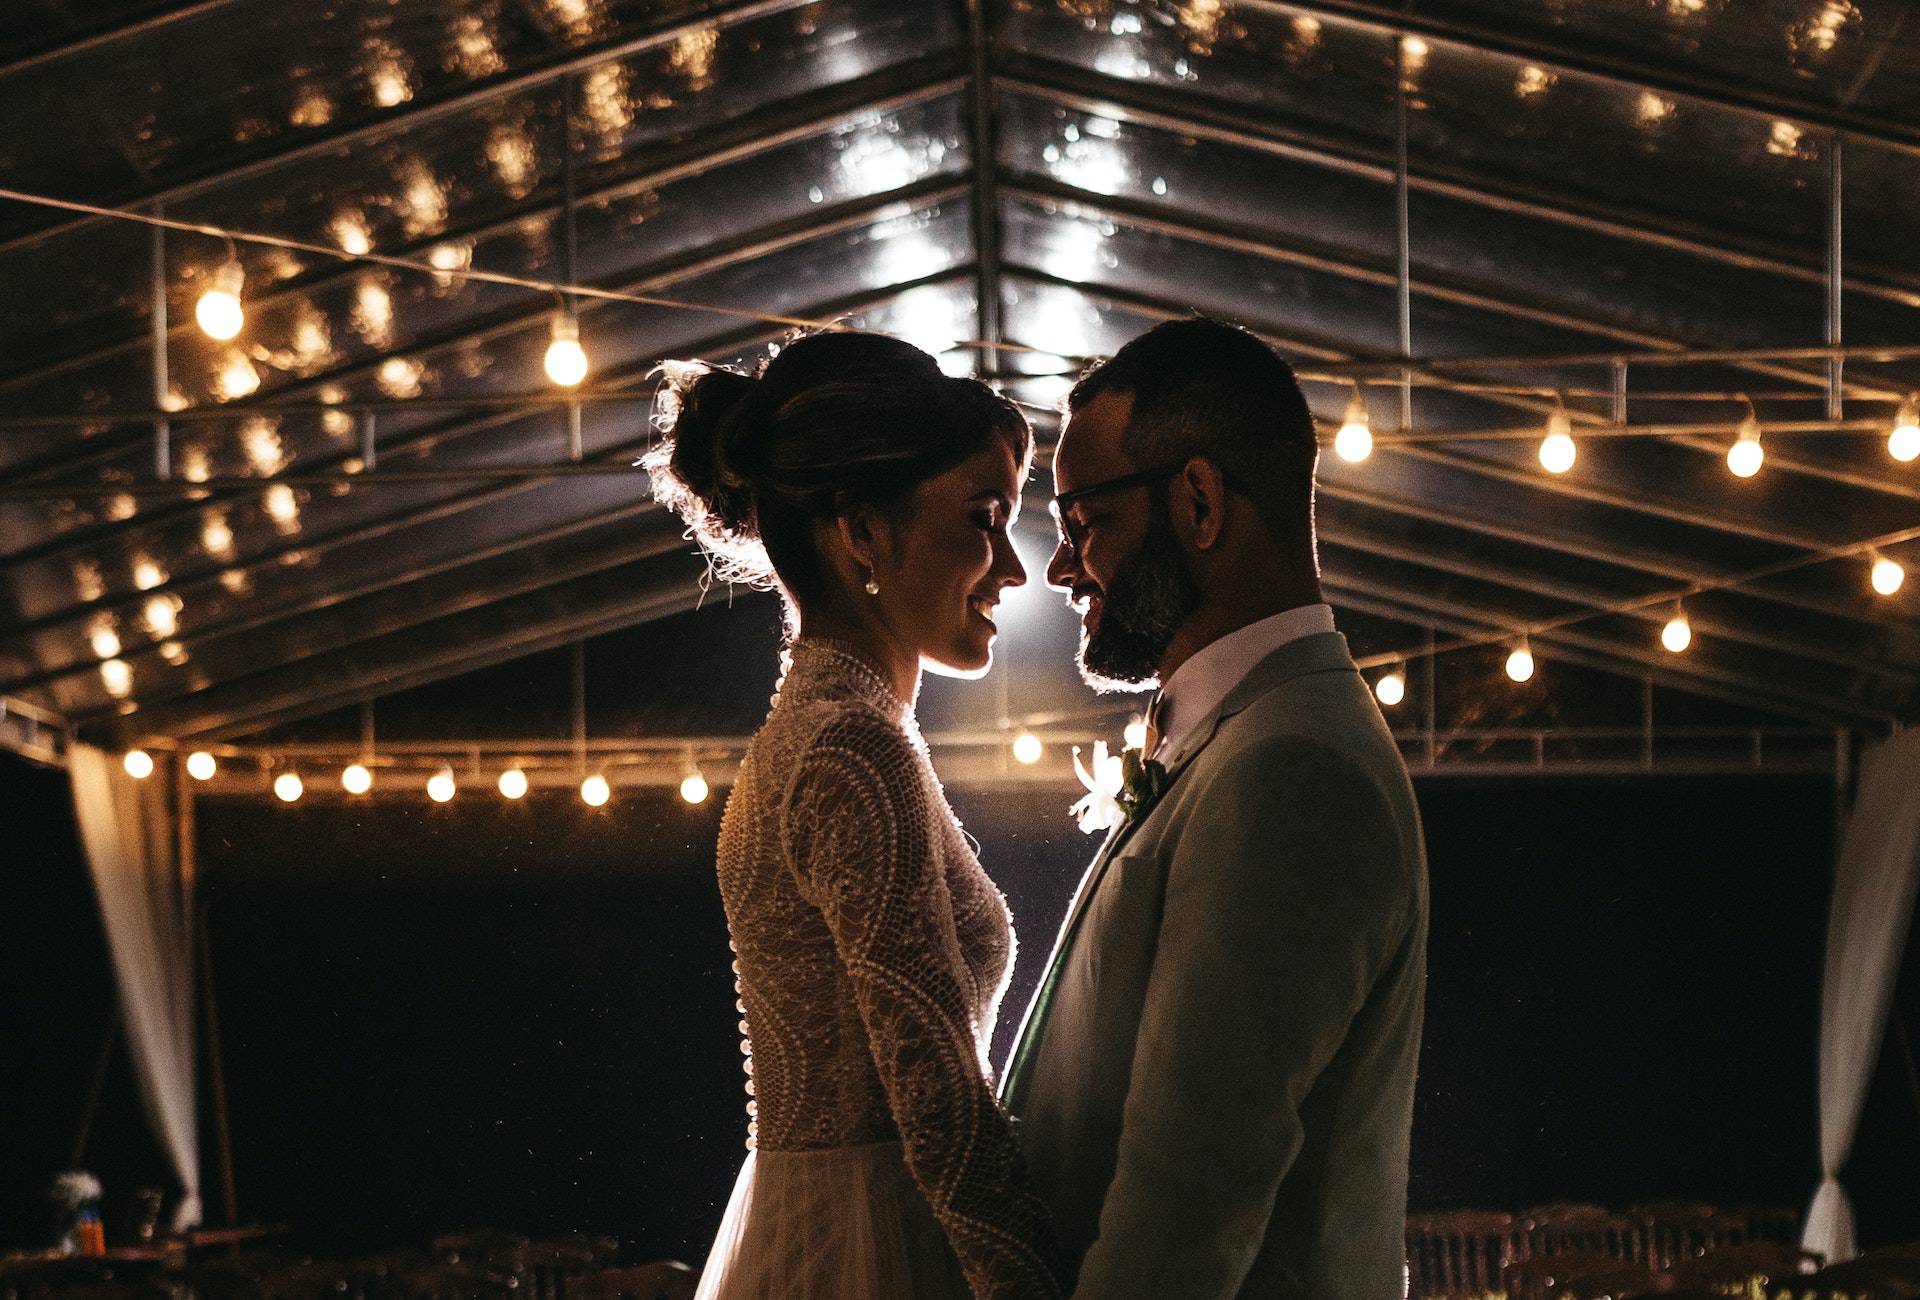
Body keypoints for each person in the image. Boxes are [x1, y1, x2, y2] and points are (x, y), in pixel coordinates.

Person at [1000, 318, 1429, 1299]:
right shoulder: (1246, 738)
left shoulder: (1293, 770)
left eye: (1084, 522)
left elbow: (1181, 1209)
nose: (1063, 569)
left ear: (1197, 500)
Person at [646, 331, 1063, 1300]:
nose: (1013, 568)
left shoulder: (830, 732)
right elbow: (939, 1102)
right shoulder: (849, 750)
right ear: (864, 534)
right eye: (982, 518)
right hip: (874, 1257)